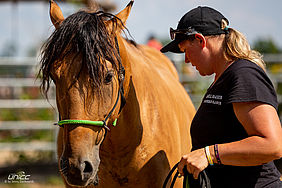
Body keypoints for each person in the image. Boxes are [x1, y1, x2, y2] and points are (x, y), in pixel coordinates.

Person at [161, 6, 282, 188]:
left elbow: (272, 145)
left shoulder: (243, 75)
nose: (186, 60)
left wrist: (209, 155)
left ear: (200, 40)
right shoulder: (223, 78)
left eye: (185, 50)